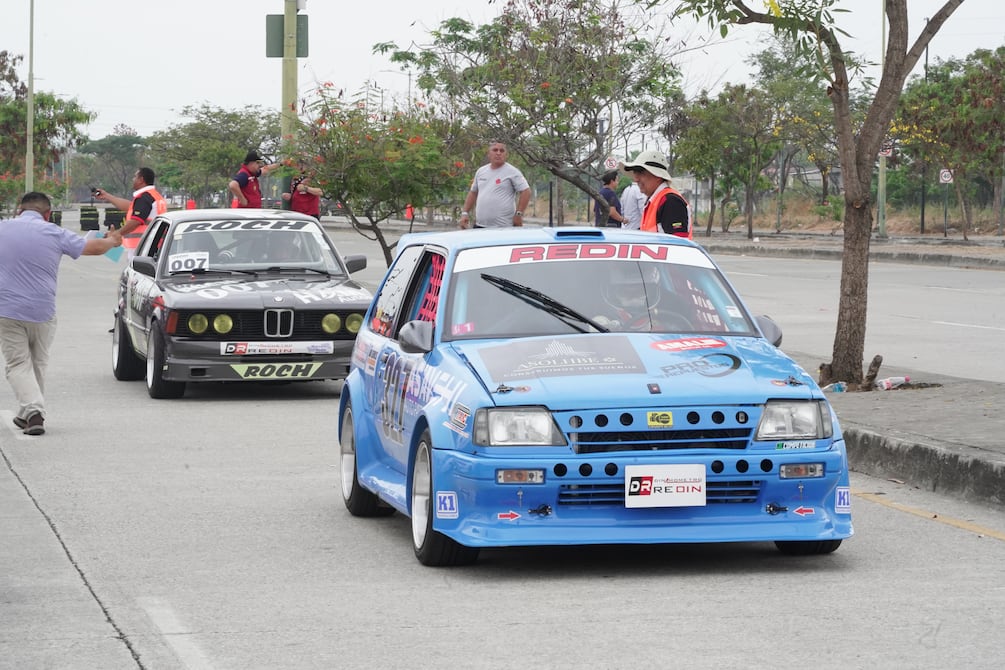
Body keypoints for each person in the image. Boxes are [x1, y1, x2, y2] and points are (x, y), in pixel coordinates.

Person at [0, 192, 122, 436]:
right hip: (42, 311)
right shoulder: (54, 232)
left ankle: (32, 412)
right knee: (38, 363)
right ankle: (30, 415)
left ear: (18, 211)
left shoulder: (3, 228)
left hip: (7, 310)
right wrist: (112, 241)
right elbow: (94, 248)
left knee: (17, 363)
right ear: (48, 214)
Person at [459, 141, 531, 229]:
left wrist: (519, 214)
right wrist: (465, 213)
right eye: (495, 150)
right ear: (489, 154)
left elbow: (526, 191)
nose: (498, 153)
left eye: (502, 151)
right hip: (480, 226)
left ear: (506, 155)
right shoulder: (481, 171)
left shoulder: (513, 172)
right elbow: (473, 193)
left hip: (503, 227)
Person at [93, 167, 167, 250]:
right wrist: (107, 196)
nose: (133, 179)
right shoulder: (154, 196)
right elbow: (130, 207)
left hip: (142, 247)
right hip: (152, 244)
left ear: (141, 180)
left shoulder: (144, 197)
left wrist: (116, 234)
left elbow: (136, 221)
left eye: (135, 177)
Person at [622, 150, 692, 238]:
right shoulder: (655, 200)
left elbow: (677, 244)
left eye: (641, 173)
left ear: (658, 176)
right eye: (635, 174)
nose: (636, 179)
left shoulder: (671, 202)